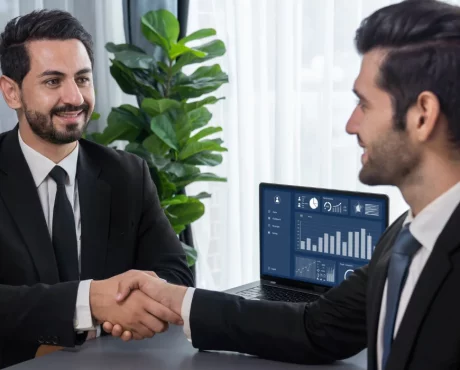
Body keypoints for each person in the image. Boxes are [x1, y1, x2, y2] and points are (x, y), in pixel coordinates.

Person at [103, 0, 460, 369]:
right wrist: (176, 299)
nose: (351, 125)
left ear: (422, 115)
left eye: (364, 105)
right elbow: (316, 328)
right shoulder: (403, 237)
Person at [0, 9, 194, 368]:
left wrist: (128, 304)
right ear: (11, 92)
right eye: (53, 81)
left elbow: (176, 275)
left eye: (83, 79)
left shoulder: (127, 174)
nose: (74, 97)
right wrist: (87, 302)